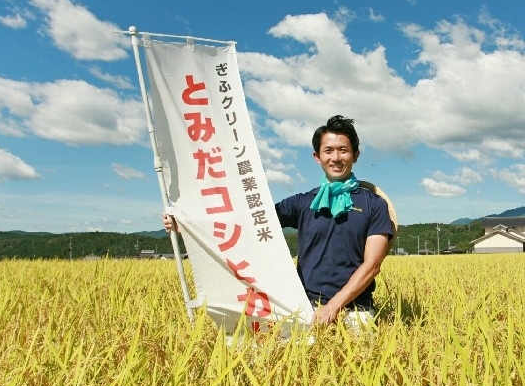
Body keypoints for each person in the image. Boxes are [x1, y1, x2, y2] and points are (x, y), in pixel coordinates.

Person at [164, 115, 394, 326]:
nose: (335, 158)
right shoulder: (304, 202)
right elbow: (248, 221)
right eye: (328, 151)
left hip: (356, 310)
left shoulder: (374, 204)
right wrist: (187, 224)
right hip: (306, 307)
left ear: (355, 155)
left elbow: (371, 266)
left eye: (343, 150)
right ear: (317, 157)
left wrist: (333, 307)